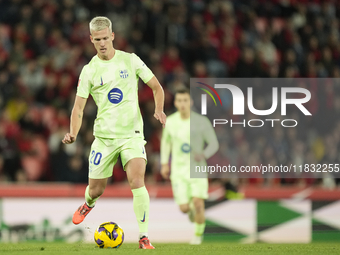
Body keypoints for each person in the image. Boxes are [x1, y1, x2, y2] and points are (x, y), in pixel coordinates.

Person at [62, 16, 166, 249]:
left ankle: (143, 236)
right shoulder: (89, 71)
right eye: (97, 39)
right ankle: (88, 203)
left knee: (137, 180)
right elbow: (78, 107)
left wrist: (158, 109)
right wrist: (73, 133)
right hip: (104, 138)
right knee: (96, 189)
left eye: (105, 38)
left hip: (132, 135)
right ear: (91, 39)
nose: (102, 43)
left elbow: (157, 87)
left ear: (113, 36)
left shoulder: (130, 60)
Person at [160, 88, 218, 245]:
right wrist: (164, 163)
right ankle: (192, 211)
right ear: (175, 103)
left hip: (197, 168)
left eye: (185, 100)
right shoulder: (171, 122)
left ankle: (197, 238)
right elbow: (166, 143)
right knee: (184, 208)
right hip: (178, 171)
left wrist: (204, 154)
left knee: (199, 203)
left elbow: (214, 143)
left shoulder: (201, 122)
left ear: (190, 102)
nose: (183, 103)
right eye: (180, 101)